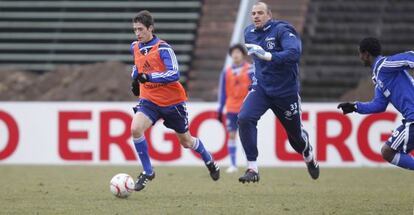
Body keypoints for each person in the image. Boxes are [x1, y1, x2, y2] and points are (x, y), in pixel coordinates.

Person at [129, 10, 220, 191]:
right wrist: (134, 78)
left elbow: (174, 73)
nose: (137, 33)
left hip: (173, 103)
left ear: (150, 28)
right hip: (149, 101)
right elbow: (137, 66)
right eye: (135, 30)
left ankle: (209, 160)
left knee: (186, 142)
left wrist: (150, 77)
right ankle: (148, 171)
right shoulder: (135, 46)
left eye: (140, 29)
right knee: (135, 129)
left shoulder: (163, 48)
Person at [237, 2, 319, 183]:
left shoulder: (282, 30)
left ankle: (308, 153)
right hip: (261, 89)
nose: (256, 16)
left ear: (269, 15)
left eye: (260, 13)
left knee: (296, 139)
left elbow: (294, 53)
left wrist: (269, 55)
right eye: (253, 13)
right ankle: (252, 168)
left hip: (285, 92)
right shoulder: (249, 32)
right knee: (244, 118)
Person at [338, 37, 414, 170]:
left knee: (388, 151)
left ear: (366, 54)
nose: (360, 57)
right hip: (410, 119)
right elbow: (379, 105)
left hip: (412, 119)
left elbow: (410, 57)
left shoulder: (384, 65)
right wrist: (355, 106)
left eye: (360, 53)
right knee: (387, 151)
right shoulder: (378, 77)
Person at [217, 44, 254, 173]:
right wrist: (220, 109)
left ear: (243, 54)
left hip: (246, 108)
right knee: (232, 135)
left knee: (247, 136)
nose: (236, 54)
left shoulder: (250, 70)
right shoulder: (226, 72)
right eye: (233, 52)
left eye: (238, 52)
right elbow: (223, 92)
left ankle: (250, 164)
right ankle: (233, 164)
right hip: (231, 108)